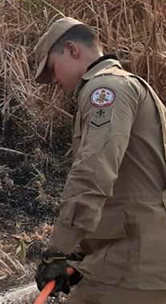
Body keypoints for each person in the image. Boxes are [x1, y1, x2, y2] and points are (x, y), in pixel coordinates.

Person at [32, 17, 166, 303]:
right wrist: (80, 253)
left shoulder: (105, 91)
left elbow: (93, 174)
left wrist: (58, 249)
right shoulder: (129, 87)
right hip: (134, 258)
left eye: (53, 69)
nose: (54, 81)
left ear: (71, 50)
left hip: (129, 265)